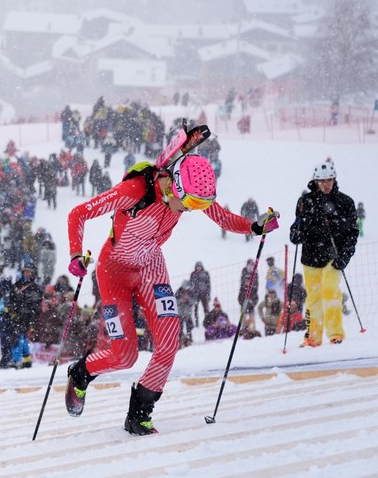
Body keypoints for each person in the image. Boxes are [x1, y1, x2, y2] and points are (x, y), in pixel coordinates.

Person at [64, 153, 278, 435]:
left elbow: (222, 218)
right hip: (114, 271)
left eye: (197, 205)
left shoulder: (189, 193)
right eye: (189, 204)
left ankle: (139, 414)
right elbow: (78, 213)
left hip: (151, 266)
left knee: (168, 341)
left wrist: (254, 227)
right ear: (174, 186)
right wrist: (76, 254)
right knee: (124, 356)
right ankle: (81, 373)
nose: (189, 210)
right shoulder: (135, 191)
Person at [289, 161, 358, 346]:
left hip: (334, 257)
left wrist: (345, 256)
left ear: (334, 180)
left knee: (330, 291)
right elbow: (297, 225)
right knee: (314, 297)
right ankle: (313, 336)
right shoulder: (305, 202)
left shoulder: (345, 202)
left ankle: (335, 334)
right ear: (315, 181)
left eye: (329, 180)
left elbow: (352, 233)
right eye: (321, 181)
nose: (326, 184)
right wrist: (295, 234)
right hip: (311, 257)